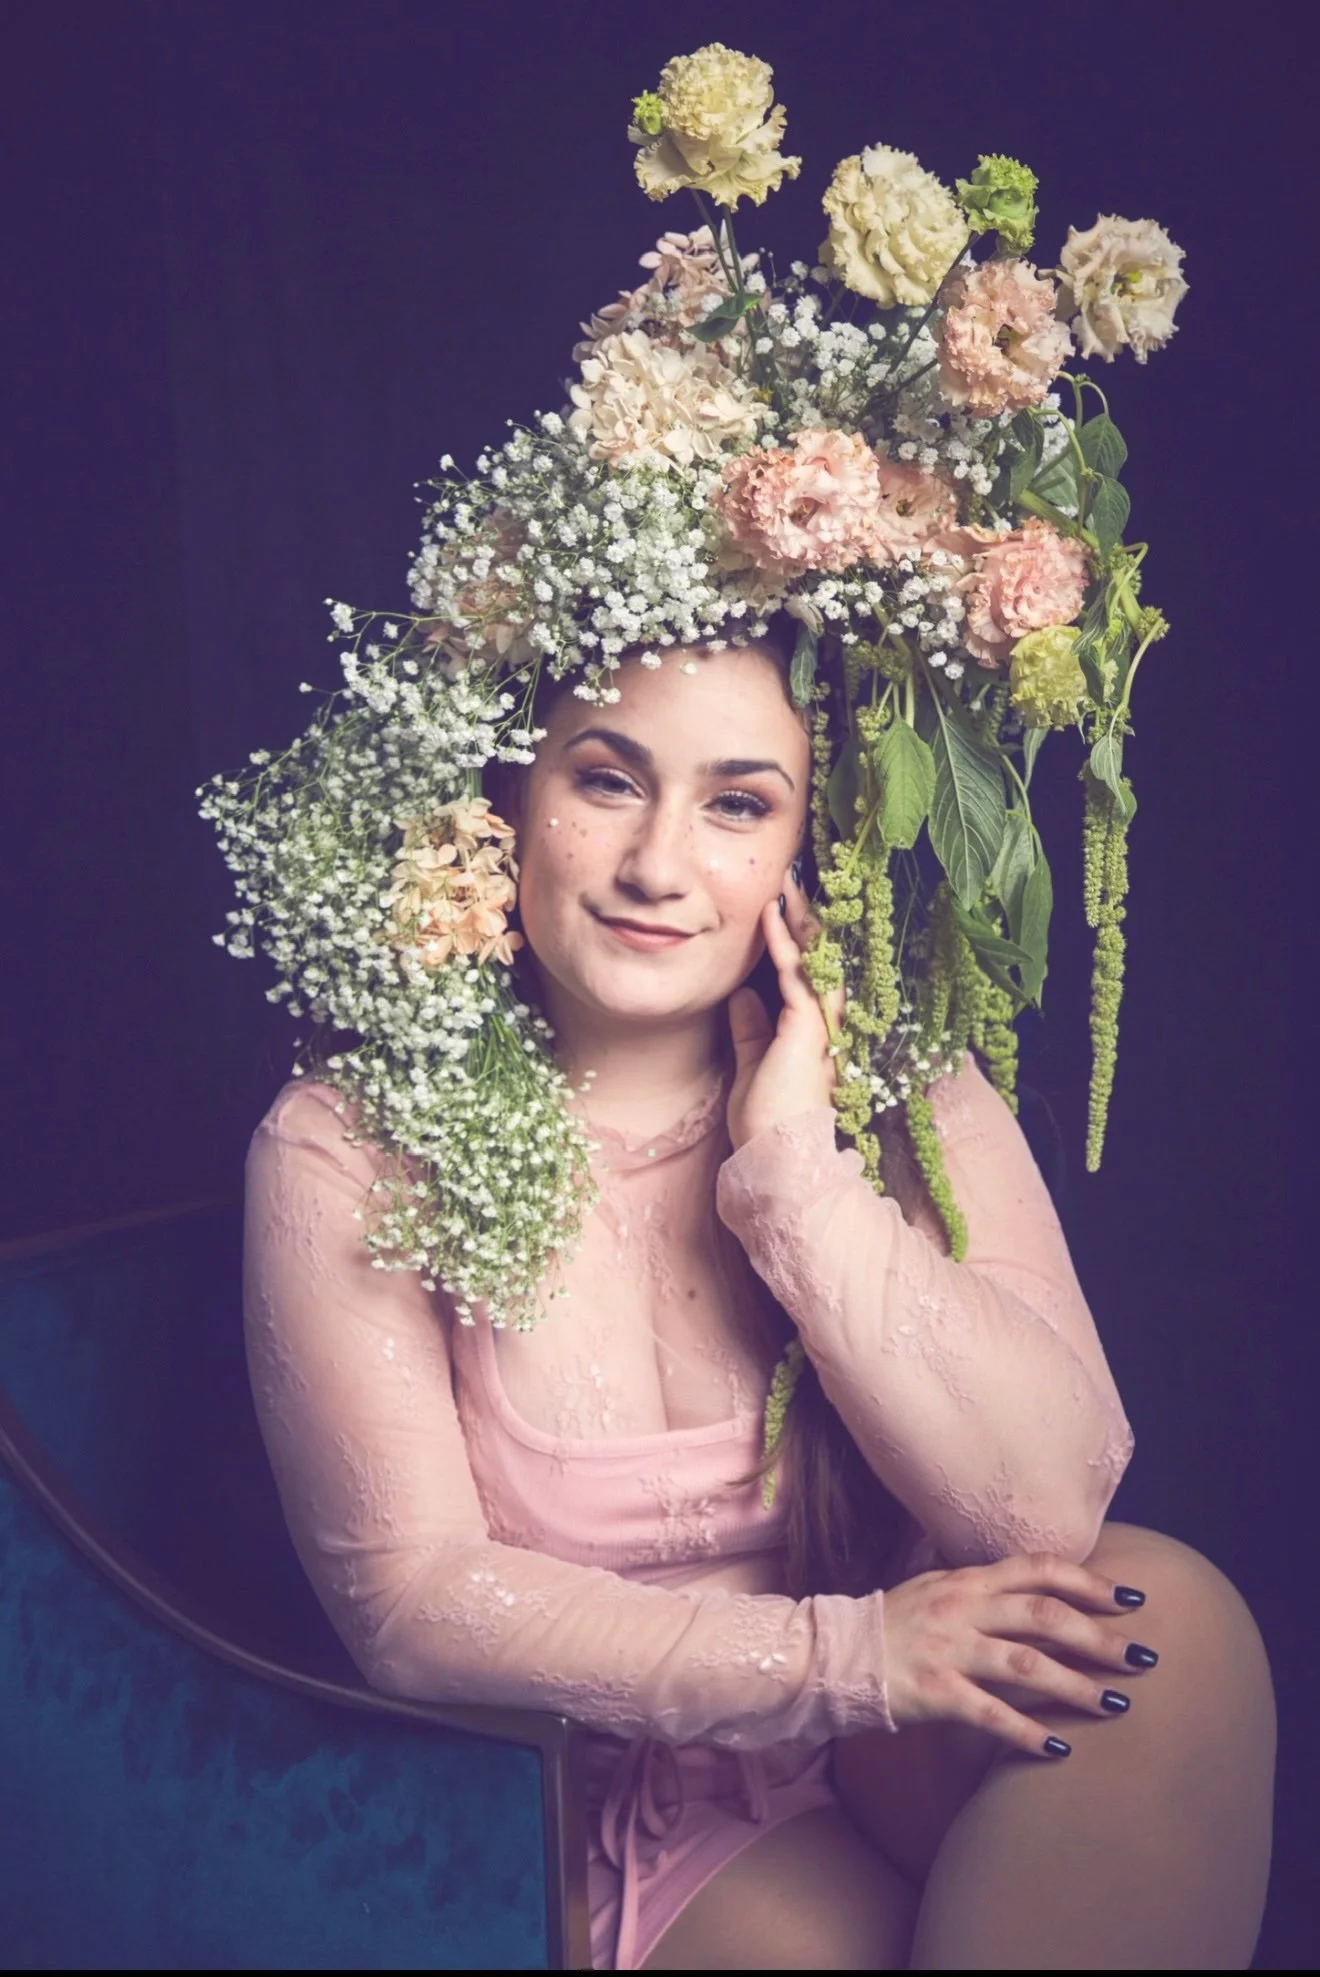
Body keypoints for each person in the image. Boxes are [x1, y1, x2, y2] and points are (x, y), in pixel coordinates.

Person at [243, 630, 1275, 1970]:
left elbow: (1047, 1504)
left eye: (739, 803)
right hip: (616, 1789)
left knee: (1166, 1623)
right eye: (608, 781)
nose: (660, 867)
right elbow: (414, 1601)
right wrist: (848, 1660)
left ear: (813, 844)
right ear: (506, 797)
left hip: (897, 1723)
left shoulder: (903, 1080)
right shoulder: (352, 1140)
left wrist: (792, 1173)